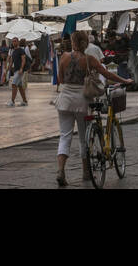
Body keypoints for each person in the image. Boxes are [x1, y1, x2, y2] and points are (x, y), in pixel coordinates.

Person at [53, 30, 129, 186]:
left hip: (64, 100)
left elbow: (60, 79)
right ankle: (86, 172)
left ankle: (61, 170)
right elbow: (107, 74)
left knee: (65, 136)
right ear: (86, 43)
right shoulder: (89, 59)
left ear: (73, 42)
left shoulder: (64, 57)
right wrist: (125, 80)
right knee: (83, 139)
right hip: (82, 101)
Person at [8, 37, 31, 107]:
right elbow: (11, 61)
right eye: (13, 41)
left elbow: (23, 60)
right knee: (20, 86)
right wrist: (7, 70)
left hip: (19, 71)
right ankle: (25, 101)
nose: (14, 42)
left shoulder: (21, 50)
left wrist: (21, 69)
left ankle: (12, 101)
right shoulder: (13, 51)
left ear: (18, 42)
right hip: (15, 71)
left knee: (14, 84)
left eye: (15, 41)